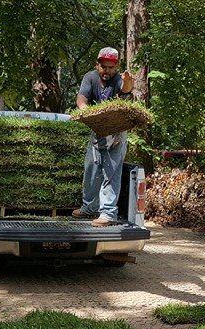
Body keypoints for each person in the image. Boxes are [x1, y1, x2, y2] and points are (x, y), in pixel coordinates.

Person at [72, 47, 134, 227]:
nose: (107, 71)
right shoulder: (90, 78)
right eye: (104, 67)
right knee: (91, 169)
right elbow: (81, 101)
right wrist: (91, 115)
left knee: (111, 171)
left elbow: (125, 88)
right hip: (97, 128)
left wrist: (128, 81)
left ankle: (107, 213)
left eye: (111, 67)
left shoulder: (118, 79)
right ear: (97, 64)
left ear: (116, 67)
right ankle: (89, 208)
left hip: (116, 130)